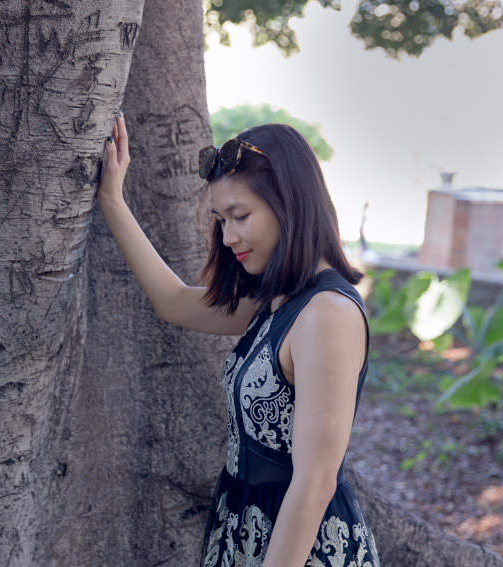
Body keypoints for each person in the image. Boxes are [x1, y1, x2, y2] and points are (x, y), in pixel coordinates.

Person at [97, 114, 380, 567]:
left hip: (299, 547)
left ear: (289, 203)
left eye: (240, 216)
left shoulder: (328, 314)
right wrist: (112, 199)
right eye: (220, 220)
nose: (228, 237)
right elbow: (173, 302)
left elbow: (315, 481)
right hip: (243, 530)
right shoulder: (282, 299)